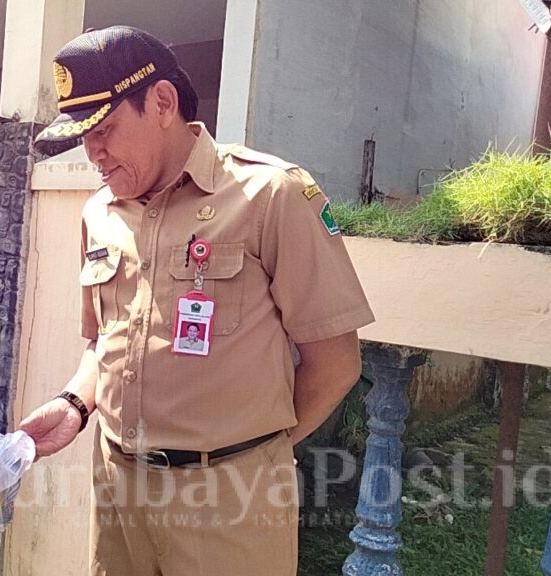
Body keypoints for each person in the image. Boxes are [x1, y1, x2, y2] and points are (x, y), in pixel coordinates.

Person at [20, 26, 375, 575]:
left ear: (161, 102)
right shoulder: (100, 213)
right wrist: (74, 403)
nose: (92, 151)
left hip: (229, 502)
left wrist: (249, 456)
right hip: (118, 489)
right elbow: (103, 338)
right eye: (84, 135)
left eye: (106, 129)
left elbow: (335, 364)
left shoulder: (269, 195)